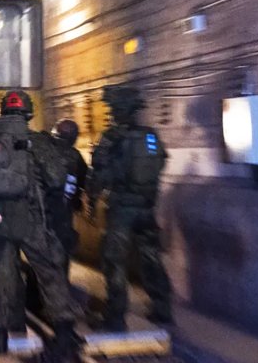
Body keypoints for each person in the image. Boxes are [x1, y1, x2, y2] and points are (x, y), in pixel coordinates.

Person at [0, 91, 79, 358]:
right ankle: (64, 334)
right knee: (50, 272)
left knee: (2, 276)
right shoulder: (38, 142)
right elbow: (56, 178)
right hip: (31, 219)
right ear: (28, 113)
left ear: (1, 113)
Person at [86, 84, 172, 331]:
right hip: (146, 209)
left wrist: (92, 198)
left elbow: (99, 173)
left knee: (115, 261)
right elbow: (161, 162)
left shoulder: (111, 138)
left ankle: (115, 316)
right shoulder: (150, 135)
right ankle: (162, 308)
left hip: (122, 211)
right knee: (152, 259)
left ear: (116, 110)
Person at [45, 119, 88, 274]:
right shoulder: (75, 156)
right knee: (62, 247)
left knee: (41, 249)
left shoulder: (43, 152)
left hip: (41, 209)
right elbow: (83, 181)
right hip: (64, 210)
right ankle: (61, 282)